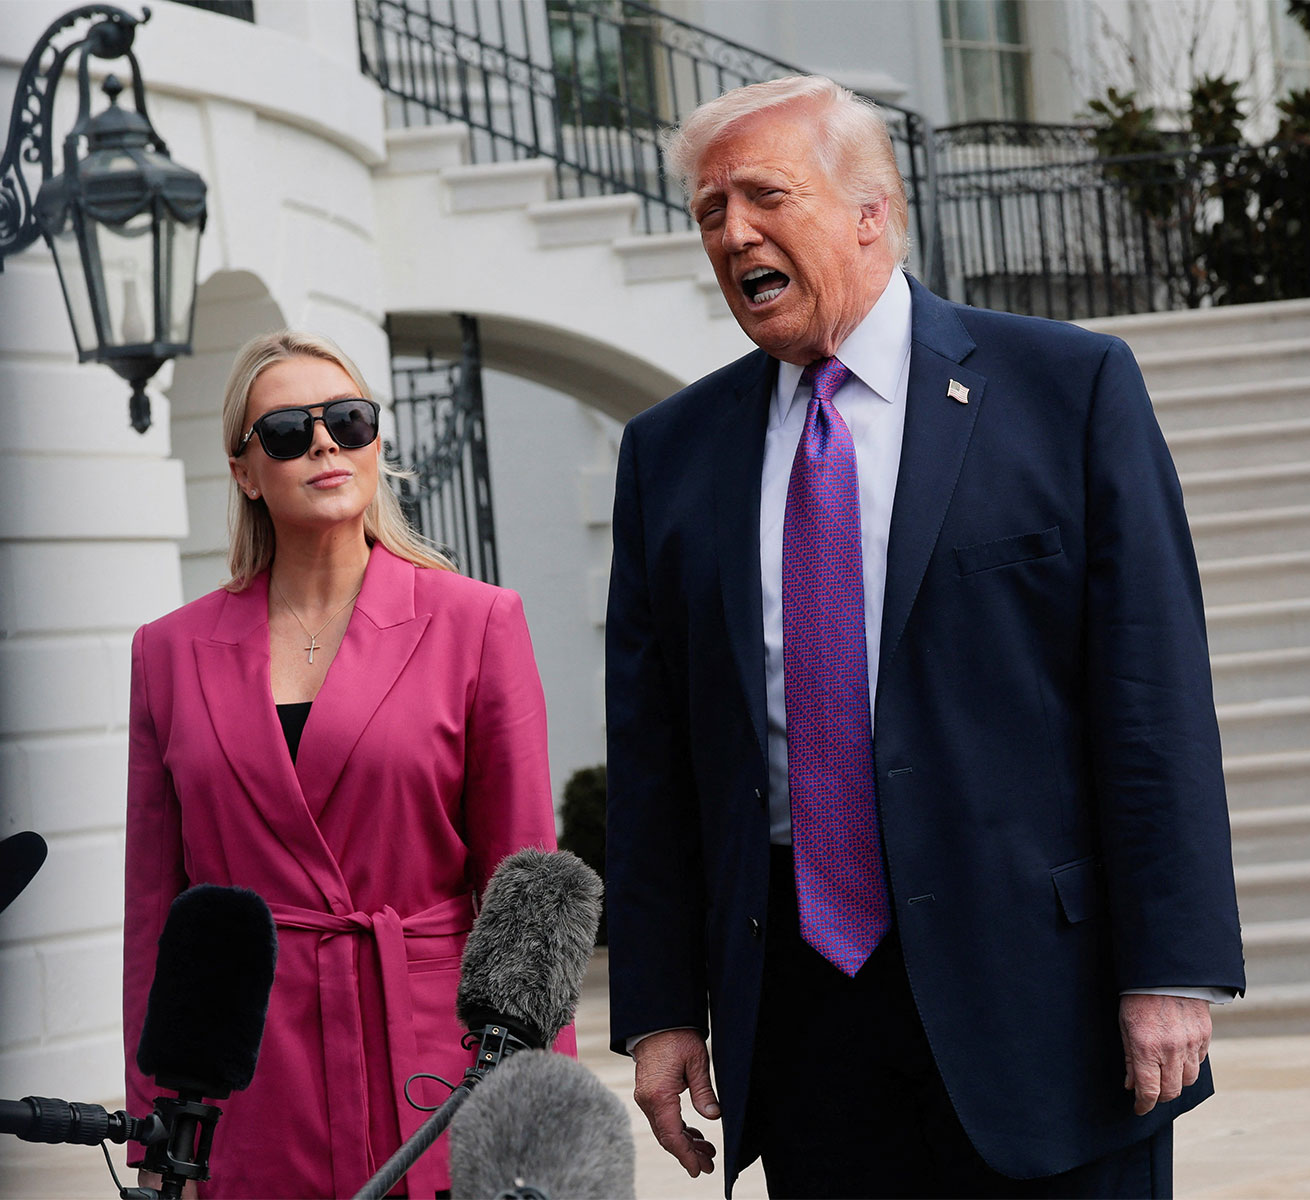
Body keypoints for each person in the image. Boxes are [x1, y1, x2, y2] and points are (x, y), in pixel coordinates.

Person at [605, 76, 1245, 1199]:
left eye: (764, 196)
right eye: (710, 211)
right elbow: (654, 755)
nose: (733, 233)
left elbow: (1152, 699)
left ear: (872, 211)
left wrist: (1170, 970)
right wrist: (659, 1008)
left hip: (1046, 1005)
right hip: (807, 1016)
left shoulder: (1067, 388)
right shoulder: (671, 451)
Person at [122, 331, 570, 1198]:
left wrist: (535, 1122)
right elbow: (155, 918)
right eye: (288, 430)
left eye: (350, 420)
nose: (325, 443)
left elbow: (525, 895)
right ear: (246, 470)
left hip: (433, 1069)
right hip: (250, 1077)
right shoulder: (168, 654)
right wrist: (155, 1125)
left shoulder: (475, 624)